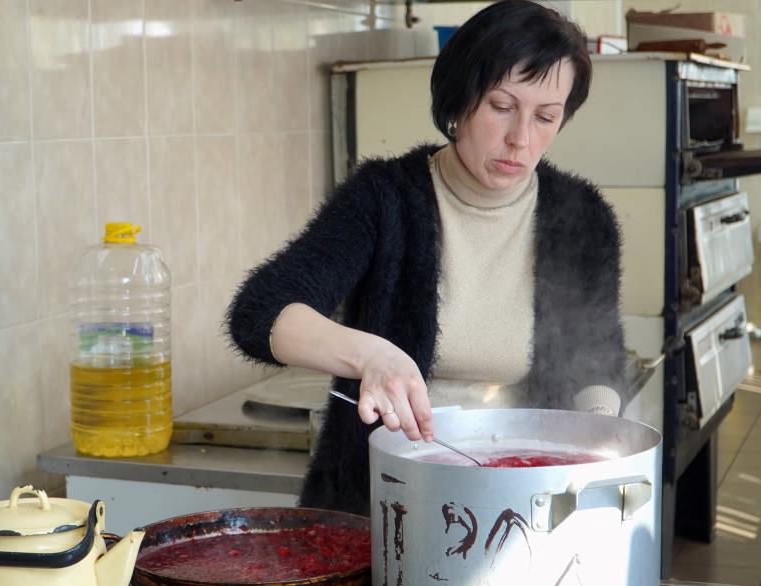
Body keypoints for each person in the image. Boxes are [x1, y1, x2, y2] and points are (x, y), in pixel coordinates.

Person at [225, 0, 625, 515]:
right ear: (459, 100)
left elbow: (600, 357)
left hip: (524, 498)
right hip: (379, 501)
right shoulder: (384, 200)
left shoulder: (581, 217)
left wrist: (597, 434)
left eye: (545, 117)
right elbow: (258, 311)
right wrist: (370, 356)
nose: (521, 139)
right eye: (501, 106)